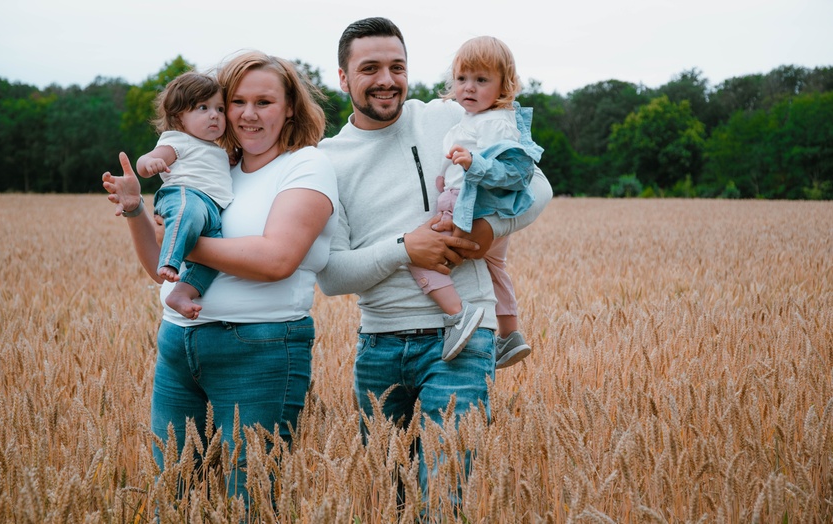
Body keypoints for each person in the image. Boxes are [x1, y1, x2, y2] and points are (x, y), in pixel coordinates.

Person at [316, 17, 552, 507]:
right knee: (389, 498)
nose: (387, 79)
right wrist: (406, 248)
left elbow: (538, 186)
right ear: (343, 77)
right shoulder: (327, 160)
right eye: (371, 68)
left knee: (441, 498)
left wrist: (487, 232)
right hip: (379, 344)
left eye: (397, 67)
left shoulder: (448, 117)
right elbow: (333, 275)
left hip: (463, 338)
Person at [101, 51, 338, 504]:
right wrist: (135, 210)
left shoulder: (305, 166)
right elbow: (161, 270)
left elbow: (276, 259)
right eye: (237, 101)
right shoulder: (214, 168)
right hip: (178, 345)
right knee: (171, 497)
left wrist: (180, 237)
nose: (248, 114)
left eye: (264, 102)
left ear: (290, 107)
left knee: (248, 500)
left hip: (259, 352)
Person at [407, 36, 543, 366]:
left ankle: (459, 315)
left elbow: (514, 172)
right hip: (479, 207)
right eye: (462, 79)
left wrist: (472, 165)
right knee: (496, 269)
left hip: (470, 208)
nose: (469, 87)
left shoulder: (495, 122)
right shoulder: (473, 119)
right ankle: (509, 336)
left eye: (481, 80)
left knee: (419, 257)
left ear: (504, 86)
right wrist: (445, 177)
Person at [135, 71, 233, 320]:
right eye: (203, 107)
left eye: (220, 109)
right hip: (183, 195)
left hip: (211, 210)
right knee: (186, 213)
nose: (214, 115)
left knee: (213, 261)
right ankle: (169, 261)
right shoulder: (178, 140)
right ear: (179, 117)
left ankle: (181, 293)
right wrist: (150, 164)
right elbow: (146, 159)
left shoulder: (217, 150)